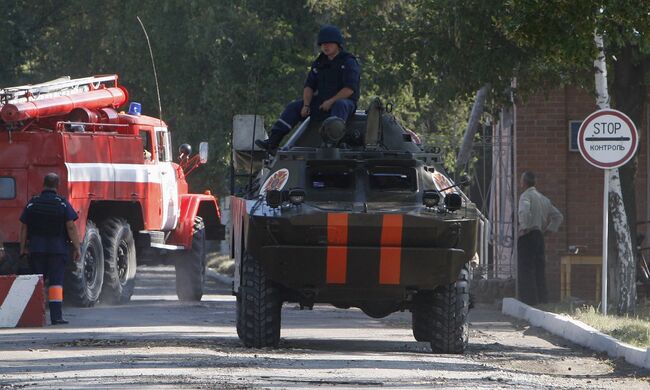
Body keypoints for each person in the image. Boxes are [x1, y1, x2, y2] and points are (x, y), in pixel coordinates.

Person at [256, 25, 361, 152]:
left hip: (344, 103)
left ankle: (331, 143)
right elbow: (309, 86)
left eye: (328, 43)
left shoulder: (348, 61)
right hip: (322, 102)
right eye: (322, 44)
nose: (325, 47)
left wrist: (331, 101)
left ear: (337, 44)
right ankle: (273, 142)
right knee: (293, 107)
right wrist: (306, 105)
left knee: (340, 105)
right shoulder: (319, 62)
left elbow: (349, 89)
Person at [19, 173, 81, 325]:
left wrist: (22, 249)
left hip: (37, 250)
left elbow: (23, 228)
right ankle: (56, 317)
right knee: (55, 284)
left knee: (37, 283)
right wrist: (77, 248)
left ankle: (34, 317)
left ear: (43, 184)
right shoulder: (62, 204)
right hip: (57, 251)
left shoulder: (33, 203)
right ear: (57, 185)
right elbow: (71, 227)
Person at [517, 171, 563, 305]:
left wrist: (524, 226)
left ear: (524, 182)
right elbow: (558, 216)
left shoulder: (525, 196)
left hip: (528, 234)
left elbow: (524, 210)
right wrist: (549, 230)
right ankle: (542, 299)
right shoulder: (544, 199)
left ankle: (529, 300)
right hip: (539, 236)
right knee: (539, 268)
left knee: (526, 269)